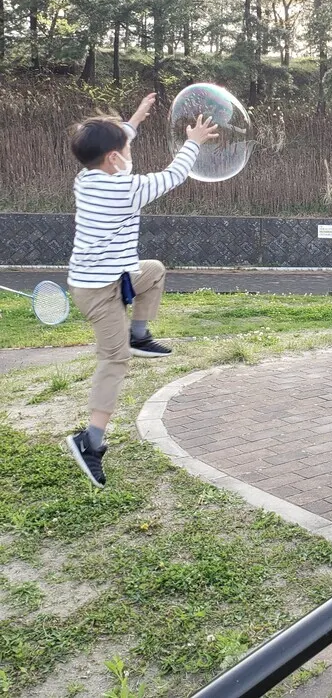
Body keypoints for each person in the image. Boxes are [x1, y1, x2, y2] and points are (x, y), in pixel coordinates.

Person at [65, 93, 218, 489]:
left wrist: (132, 121)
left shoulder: (88, 177)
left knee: (154, 270)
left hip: (118, 276)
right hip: (98, 292)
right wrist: (194, 142)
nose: (130, 151)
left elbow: (115, 143)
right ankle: (90, 441)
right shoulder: (123, 191)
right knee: (113, 361)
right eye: (127, 147)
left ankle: (139, 334)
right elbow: (172, 176)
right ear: (115, 158)